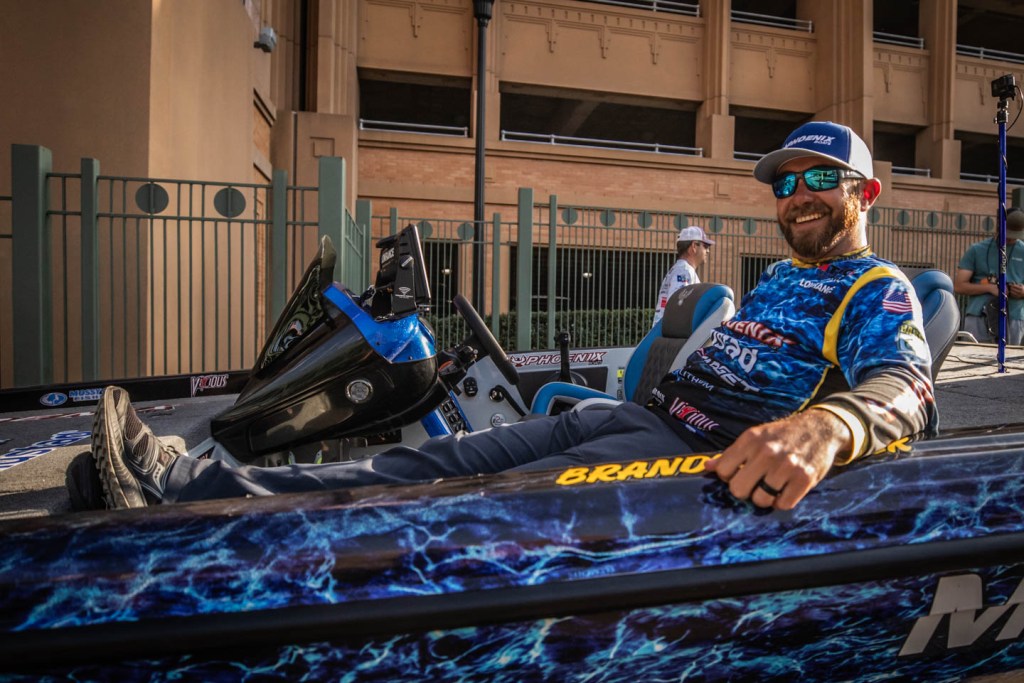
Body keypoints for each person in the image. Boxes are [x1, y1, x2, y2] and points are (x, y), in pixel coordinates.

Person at [86, 121, 936, 513]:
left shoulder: (875, 286)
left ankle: (191, 507)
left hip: (691, 457)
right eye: (785, 183)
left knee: (460, 497)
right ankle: (191, 488)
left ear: (864, 193)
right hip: (637, 417)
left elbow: (908, 387)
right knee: (433, 458)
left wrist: (828, 426)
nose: (797, 196)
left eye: (818, 179)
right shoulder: (784, 276)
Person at [952, 208, 1024, 345]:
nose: (1010, 238)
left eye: (1015, 235)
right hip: (978, 315)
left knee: (1010, 356)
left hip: (1014, 317)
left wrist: (1022, 292)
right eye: (1008, 233)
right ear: (999, 226)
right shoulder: (977, 250)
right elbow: (959, 286)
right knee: (974, 354)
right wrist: (989, 288)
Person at [653, 225, 715, 326]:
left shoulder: (682, 269)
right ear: (694, 246)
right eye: (705, 246)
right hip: (672, 333)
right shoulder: (684, 272)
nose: (708, 251)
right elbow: (678, 307)